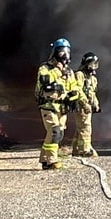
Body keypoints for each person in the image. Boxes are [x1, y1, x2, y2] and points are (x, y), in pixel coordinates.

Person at [35, 37, 81, 170]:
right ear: (55, 52)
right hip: (48, 106)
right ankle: (52, 161)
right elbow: (44, 80)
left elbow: (74, 88)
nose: (64, 55)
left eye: (67, 52)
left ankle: (44, 159)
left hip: (62, 108)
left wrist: (74, 98)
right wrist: (58, 70)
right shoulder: (45, 68)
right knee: (54, 131)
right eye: (61, 51)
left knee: (58, 134)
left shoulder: (69, 72)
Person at [71, 52, 101, 157]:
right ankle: (85, 150)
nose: (94, 67)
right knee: (85, 128)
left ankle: (76, 149)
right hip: (81, 106)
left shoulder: (92, 79)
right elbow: (78, 90)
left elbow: (92, 93)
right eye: (92, 64)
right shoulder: (79, 75)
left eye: (95, 64)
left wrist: (96, 104)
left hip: (88, 107)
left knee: (80, 129)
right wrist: (84, 104)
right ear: (86, 63)